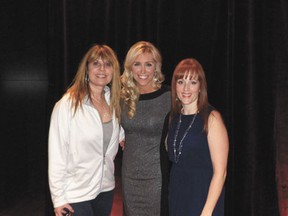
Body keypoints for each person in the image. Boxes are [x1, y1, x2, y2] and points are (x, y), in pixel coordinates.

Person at [48, 44, 124, 216]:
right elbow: (57, 154)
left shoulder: (113, 101)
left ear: (114, 70)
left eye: (108, 64)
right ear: (87, 68)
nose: (102, 69)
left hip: (106, 188)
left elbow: (110, 130)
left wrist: (122, 135)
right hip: (75, 192)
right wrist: (58, 198)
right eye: (96, 63)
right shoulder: (67, 105)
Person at [167, 58, 229, 216]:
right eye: (181, 81)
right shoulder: (173, 118)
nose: (186, 88)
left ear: (200, 86)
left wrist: (207, 212)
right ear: (175, 85)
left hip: (203, 200)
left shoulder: (211, 118)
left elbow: (220, 172)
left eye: (192, 82)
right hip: (178, 197)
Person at [120, 41, 171, 216]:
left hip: (156, 177)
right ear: (130, 67)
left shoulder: (169, 97)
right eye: (137, 64)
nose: (142, 71)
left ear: (156, 67)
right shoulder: (122, 97)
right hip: (129, 176)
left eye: (148, 64)